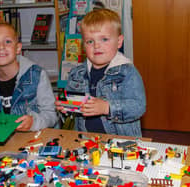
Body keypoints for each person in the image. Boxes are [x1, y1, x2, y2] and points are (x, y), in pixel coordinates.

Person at [56, 9, 146, 137]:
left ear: (119, 42)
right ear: (83, 45)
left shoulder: (127, 72)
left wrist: (107, 108)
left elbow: (138, 106)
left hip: (121, 141)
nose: (96, 46)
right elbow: (73, 106)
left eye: (104, 39)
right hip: (85, 138)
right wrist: (65, 107)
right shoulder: (77, 73)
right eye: (90, 41)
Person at [0, 21, 58, 131]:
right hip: (4, 137)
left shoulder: (37, 75)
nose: (1, 47)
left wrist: (33, 123)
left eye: (7, 41)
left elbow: (51, 116)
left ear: (18, 48)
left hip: (35, 137)